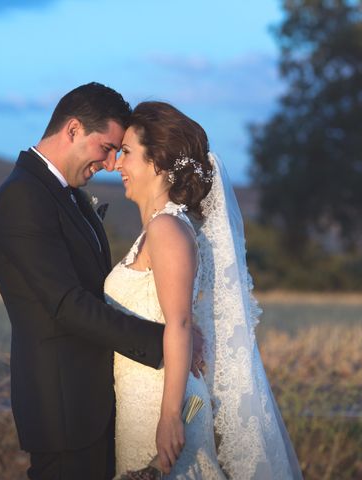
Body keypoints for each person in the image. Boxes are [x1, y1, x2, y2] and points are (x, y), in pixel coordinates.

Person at [0, 83, 181, 480]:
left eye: (117, 151)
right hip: (62, 407)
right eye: (106, 147)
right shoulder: (22, 197)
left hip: (93, 403)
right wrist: (166, 342)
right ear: (73, 129)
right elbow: (65, 304)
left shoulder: (67, 195)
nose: (111, 163)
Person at [106, 101, 303, 479]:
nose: (116, 165)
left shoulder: (166, 230)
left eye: (127, 153)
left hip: (163, 403)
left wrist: (168, 418)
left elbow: (179, 324)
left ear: (158, 162)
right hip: (140, 398)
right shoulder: (156, 231)